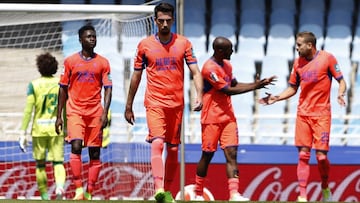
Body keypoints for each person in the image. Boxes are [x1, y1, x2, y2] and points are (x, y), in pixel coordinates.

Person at [124, 2, 203, 203]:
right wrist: (128, 105)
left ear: (173, 20)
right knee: (157, 141)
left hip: (176, 105)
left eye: (168, 20)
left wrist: (199, 95)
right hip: (155, 103)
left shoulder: (184, 43)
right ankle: (158, 188)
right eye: (161, 21)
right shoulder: (144, 45)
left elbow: (195, 71)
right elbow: (136, 76)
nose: (165, 24)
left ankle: (165, 192)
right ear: (155, 21)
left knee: (174, 149)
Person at [258, 31, 347, 202]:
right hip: (303, 115)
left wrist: (341, 94)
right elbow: (293, 88)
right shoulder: (297, 63)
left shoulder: (327, 58)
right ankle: (303, 196)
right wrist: (276, 97)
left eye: (299, 45)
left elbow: (341, 81)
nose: (296, 48)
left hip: (322, 115)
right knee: (303, 155)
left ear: (310, 45)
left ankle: (325, 186)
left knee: (321, 157)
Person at [193, 36, 276, 201]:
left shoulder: (227, 65)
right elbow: (227, 90)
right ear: (219, 51)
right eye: (230, 49)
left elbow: (235, 84)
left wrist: (256, 84)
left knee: (231, 154)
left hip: (228, 118)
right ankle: (198, 193)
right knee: (207, 155)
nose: (233, 51)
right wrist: (255, 86)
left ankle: (234, 194)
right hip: (211, 118)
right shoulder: (209, 68)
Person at [55, 24, 112, 200]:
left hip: (95, 112)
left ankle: (90, 191)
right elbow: (63, 89)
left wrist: (105, 113)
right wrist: (59, 116)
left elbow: (108, 89)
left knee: (95, 153)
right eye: (88, 36)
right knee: (76, 146)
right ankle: (79, 190)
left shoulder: (103, 62)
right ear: (80, 40)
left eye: (94, 36)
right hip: (75, 111)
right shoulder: (70, 61)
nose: (92, 39)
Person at [18, 52, 66, 200]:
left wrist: (22, 132)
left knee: (40, 165)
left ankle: (44, 196)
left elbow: (28, 109)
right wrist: (67, 127)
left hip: (38, 130)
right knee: (58, 162)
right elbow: (65, 106)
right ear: (55, 67)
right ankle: (59, 188)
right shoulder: (60, 83)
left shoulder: (34, 85)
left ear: (39, 68)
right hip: (56, 129)